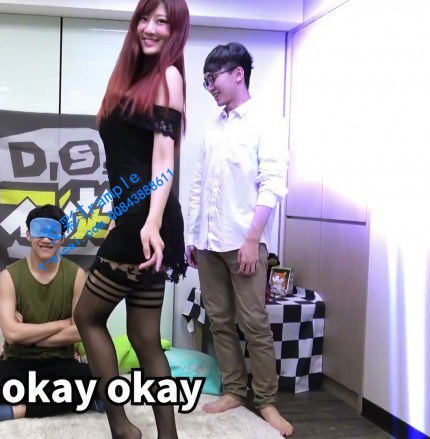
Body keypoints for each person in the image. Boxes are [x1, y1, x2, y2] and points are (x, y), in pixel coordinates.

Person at [73, 1, 190, 438]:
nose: (150, 28)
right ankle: (166, 436)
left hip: (147, 217)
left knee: (87, 316)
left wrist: (151, 222)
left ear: (175, 30)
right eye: (145, 18)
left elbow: (163, 159)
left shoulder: (168, 77)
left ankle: (122, 426)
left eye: (162, 21)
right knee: (143, 337)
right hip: (137, 214)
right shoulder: (132, 78)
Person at [184, 42, 293, 436]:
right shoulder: (212, 126)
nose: (209, 87)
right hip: (208, 243)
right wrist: (192, 235)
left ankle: (267, 402)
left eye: (212, 78)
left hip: (244, 241)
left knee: (255, 324)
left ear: (238, 74)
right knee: (219, 321)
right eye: (205, 81)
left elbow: (273, 183)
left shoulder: (267, 121)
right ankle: (234, 391)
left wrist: (252, 239)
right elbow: (198, 183)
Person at [0, 205, 103, 430]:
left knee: (98, 379)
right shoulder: (9, 276)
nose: (46, 239)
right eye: (40, 231)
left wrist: (29, 335)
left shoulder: (76, 275)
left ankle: (16, 410)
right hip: (18, 362)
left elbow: (79, 331)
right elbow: (12, 334)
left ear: (61, 238)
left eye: (53, 232)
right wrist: (62, 323)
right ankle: (75, 401)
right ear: (28, 234)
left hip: (61, 363)